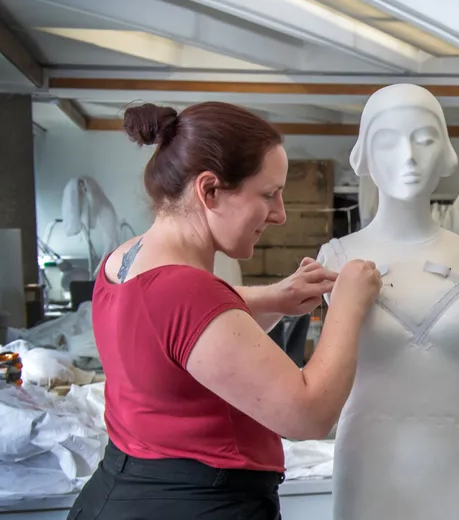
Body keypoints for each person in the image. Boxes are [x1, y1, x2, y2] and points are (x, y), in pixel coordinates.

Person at [71, 103, 383, 520]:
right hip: (198, 504)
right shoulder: (187, 292)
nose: (280, 213)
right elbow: (308, 415)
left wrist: (274, 297)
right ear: (210, 190)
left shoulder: (123, 261)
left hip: (118, 493)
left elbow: (182, 336)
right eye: (268, 194)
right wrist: (348, 305)